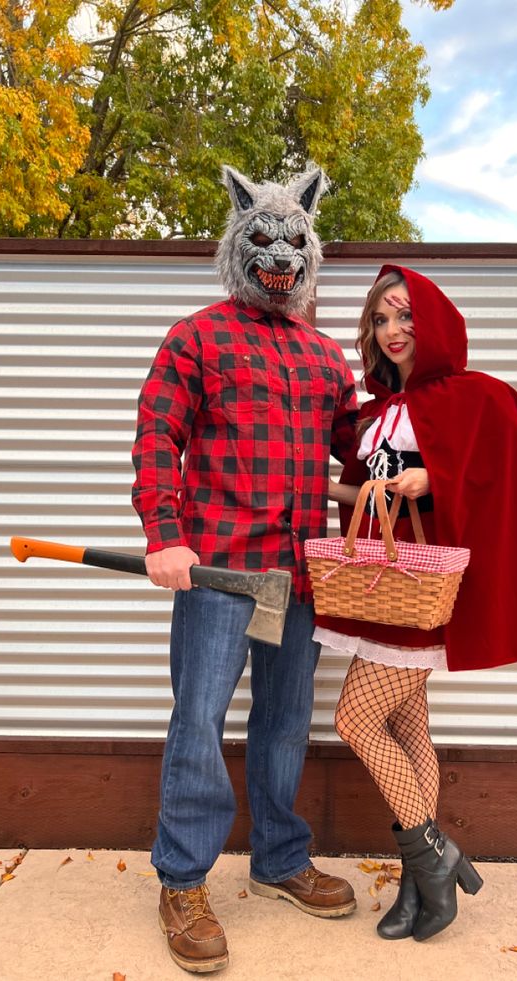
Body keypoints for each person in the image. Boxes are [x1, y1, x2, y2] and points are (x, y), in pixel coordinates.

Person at [132, 166, 359, 974]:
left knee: (287, 720)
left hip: (297, 578)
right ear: (239, 243)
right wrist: (164, 532)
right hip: (220, 571)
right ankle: (183, 878)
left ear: (310, 252)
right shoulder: (196, 336)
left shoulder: (329, 357)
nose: (279, 256)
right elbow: (157, 436)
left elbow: (359, 452)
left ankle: (278, 859)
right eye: (262, 240)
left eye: (293, 242)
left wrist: (425, 453)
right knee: (199, 719)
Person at [317, 265, 517, 943]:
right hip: (377, 584)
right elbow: (367, 493)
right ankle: (418, 887)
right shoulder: (373, 415)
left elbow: (507, 456)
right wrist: (314, 491)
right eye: (381, 318)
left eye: (405, 315)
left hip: (422, 590)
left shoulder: (471, 396)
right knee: (405, 727)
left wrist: (437, 473)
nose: (393, 330)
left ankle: (435, 856)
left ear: (433, 322)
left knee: (353, 719)